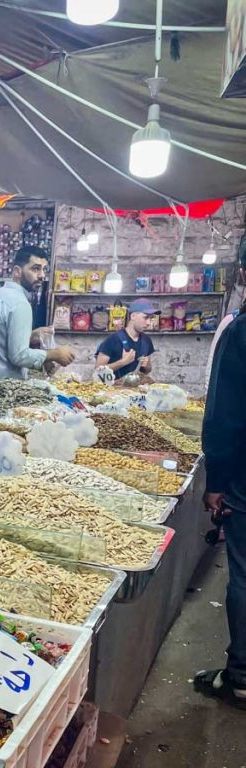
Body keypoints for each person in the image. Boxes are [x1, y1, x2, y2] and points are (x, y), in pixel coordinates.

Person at [196, 237, 246, 706]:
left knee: (245, 576)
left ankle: (242, 675)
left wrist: (217, 481)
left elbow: (225, 417)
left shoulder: (241, 332)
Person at [0, 246, 74, 378]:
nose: (42, 275)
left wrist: (29, 336)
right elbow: (19, 356)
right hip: (3, 388)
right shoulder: (20, 303)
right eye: (35, 269)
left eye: (44, 270)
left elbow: (0, 342)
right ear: (17, 271)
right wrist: (54, 354)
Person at [95, 299, 156, 380]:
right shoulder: (113, 339)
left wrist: (147, 365)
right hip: (112, 391)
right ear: (133, 316)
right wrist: (123, 362)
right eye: (145, 317)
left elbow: (147, 370)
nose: (148, 323)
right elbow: (97, 371)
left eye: (151, 318)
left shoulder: (146, 340)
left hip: (136, 390)